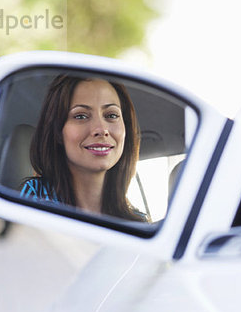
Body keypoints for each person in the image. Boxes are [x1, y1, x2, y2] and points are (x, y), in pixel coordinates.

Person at [20, 74, 147, 222]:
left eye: (112, 115)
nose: (101, 129)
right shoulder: (34, 197)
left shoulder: (139, 223)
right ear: (58, 132)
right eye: (81, 116)